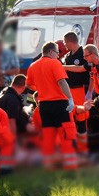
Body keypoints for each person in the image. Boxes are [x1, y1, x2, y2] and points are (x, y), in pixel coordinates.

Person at [25, 41, 77, 170]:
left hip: (44, 105)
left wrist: (43, 88)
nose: (58, 55)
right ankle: (70, 167)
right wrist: (70, 98)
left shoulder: (33, 66)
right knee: (66, 135)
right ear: (51, 52)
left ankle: (49, 166)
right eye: (57, 52)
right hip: (60, 104)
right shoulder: (54, 63)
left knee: (48, 137)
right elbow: (61, 81)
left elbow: (29, 85)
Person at [60, 32, 91, 155]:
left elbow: (83, 68)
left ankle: (83, 149)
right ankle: (72, 147)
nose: (65, 45)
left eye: (65, 43)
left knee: (82, 119)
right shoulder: (68, 56)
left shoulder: (83, 53)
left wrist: (63, 67)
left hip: (80, 90)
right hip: (69, 90)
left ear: (70, 41)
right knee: (70, 119)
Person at [0, 74, 29, 138]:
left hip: (1, 130)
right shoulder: (13, 99)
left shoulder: (5, 93)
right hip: (11, 134)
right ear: (23, 86)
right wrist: (13, 140)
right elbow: (11, 121)